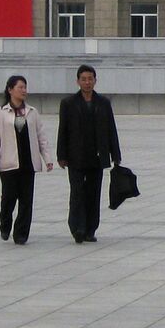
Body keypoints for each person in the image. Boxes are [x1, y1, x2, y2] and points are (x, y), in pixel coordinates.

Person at [57, 63, 123, 242]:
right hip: (76, 156)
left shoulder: (103, 103)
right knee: (77, 193)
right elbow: (63, 130)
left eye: (90, 79)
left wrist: (115, 155)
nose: (87, 82)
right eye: (83, 79)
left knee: (93, 194)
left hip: (97, 156)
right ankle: (77, 227)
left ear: (95, 81)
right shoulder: (68, 103)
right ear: (78, 81)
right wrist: (61, 155)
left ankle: (90, 229)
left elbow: (111, 130)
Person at [0, 75, 51, 244]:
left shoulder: (32, 112)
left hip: (28, 162)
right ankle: (5, 224)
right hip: (9, 163)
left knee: (26, 200)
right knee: (8, 199)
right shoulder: (1, 113)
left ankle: (21, 233)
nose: (23, 91)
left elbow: (41, 136)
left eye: (25, 87)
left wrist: (47, 158)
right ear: (10, 90)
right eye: (20, 87)